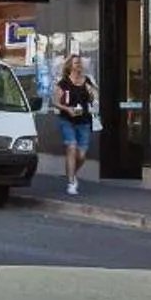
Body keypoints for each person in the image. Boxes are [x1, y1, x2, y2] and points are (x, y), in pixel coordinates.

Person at [51, 54, 97, 196]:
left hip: (83, 121)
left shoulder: (87, 80)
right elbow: (55, 102)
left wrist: (91, 93)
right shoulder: (63, 83)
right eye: (76, 63)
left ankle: (72, 173)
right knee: (71, 147)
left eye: (80, 63)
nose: (79, 65)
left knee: (81, 155)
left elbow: (93, 98)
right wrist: (67, 109)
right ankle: (71, 182)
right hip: (67, 120)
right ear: (70, 66)